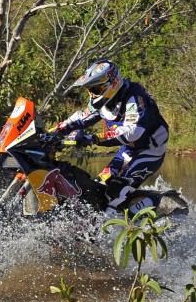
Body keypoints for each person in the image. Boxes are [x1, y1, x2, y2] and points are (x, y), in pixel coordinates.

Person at [55, 59, 169, 213]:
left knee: (116, 189)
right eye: (89, 90)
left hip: (150, 150)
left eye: (94, 89)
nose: (92, 94)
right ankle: (116, 215)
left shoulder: (134, 97)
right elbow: (80, 118)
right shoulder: (104, 102)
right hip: (128, 151)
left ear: (111, 84)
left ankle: (111, 229)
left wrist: (93, 138)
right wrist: (51, 133)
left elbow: (133, 132)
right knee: (98, 188)